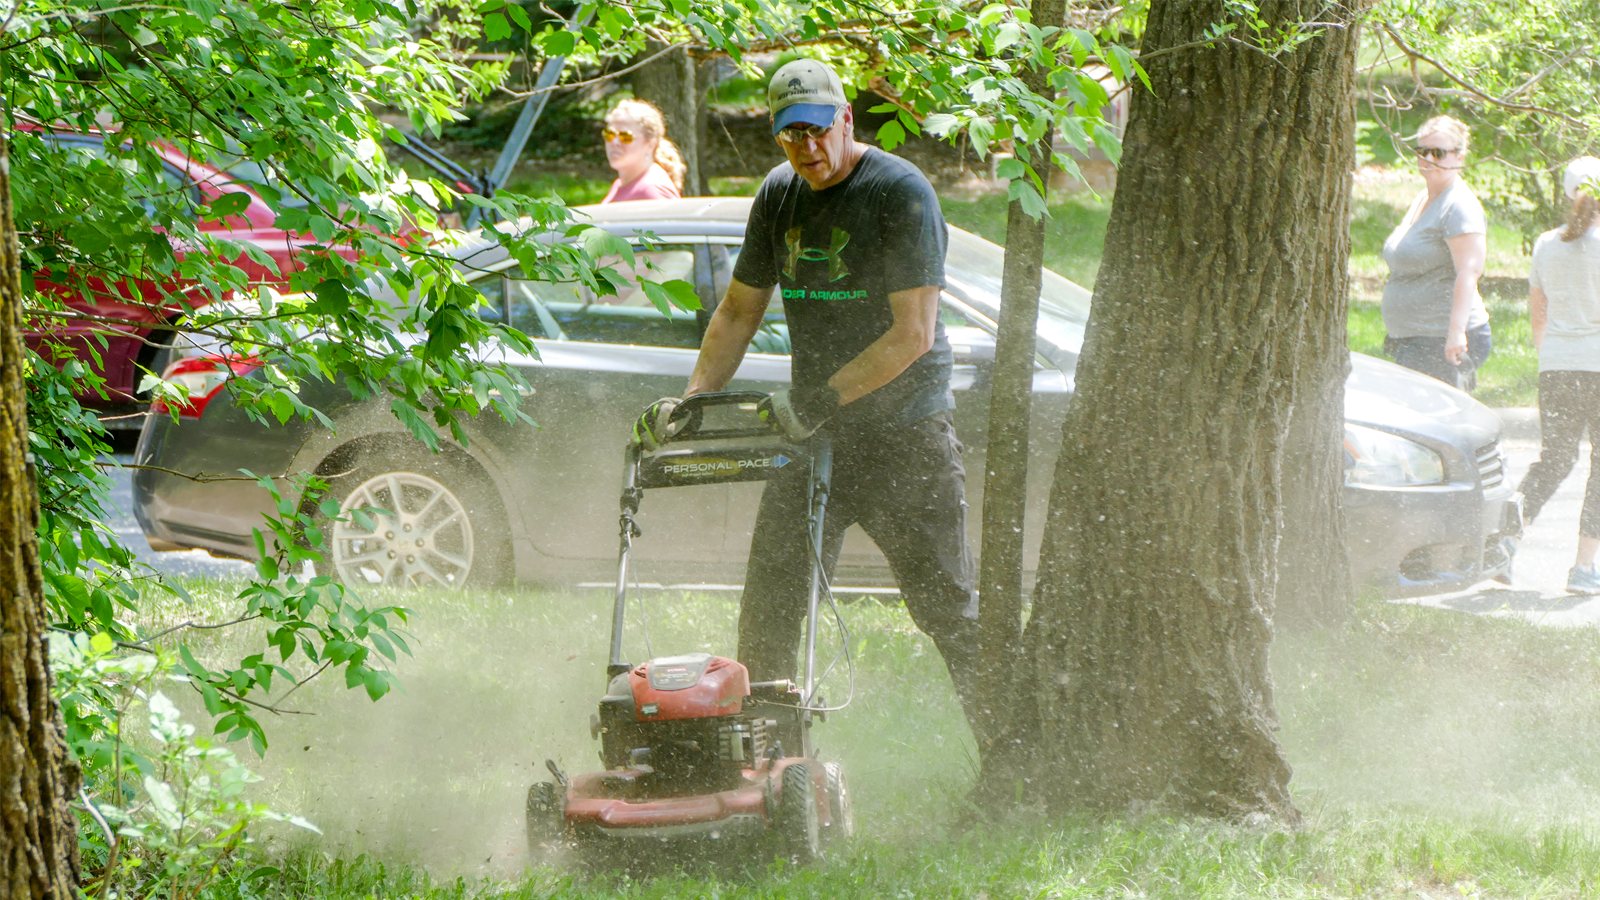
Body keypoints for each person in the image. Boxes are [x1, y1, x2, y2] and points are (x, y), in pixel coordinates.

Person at [631, 58, 981, 727]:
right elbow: (737, 313)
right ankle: (763, 763)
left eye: (820, 130)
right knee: (770, 604)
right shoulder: (779, 196)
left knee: (948, 609)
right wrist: (693, 398)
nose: (809, 148)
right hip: (816, 434)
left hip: (906, 434)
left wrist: (819, 398)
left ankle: (1013, 772)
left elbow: (913, 334)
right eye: (792, 135)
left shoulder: (899, 192)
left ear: (845, 118)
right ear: (778, 134)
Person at [1515, 156, 1600, 595]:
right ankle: (1584, 569)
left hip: (1558, 367)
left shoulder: (1547, 243)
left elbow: (1538, 316)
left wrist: (1550, 357)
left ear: (1567, 193)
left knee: (1555, 461)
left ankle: (1503, 546)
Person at [1380, 114, 1492, 390]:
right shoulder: (1425, 197)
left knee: (1433, 427)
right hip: (1417, 338)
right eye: (1422, 151)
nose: (1429, 158)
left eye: (1439, 153)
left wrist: (1455, 334)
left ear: (1459, 156)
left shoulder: (1458, 205)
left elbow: (1469, 272)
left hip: (1441, 339)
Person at [600, 99, 684, 203]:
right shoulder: (619, 184)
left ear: (650, 145)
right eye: (610, 134)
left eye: (625, 136)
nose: (615, 142)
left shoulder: (652, 190)